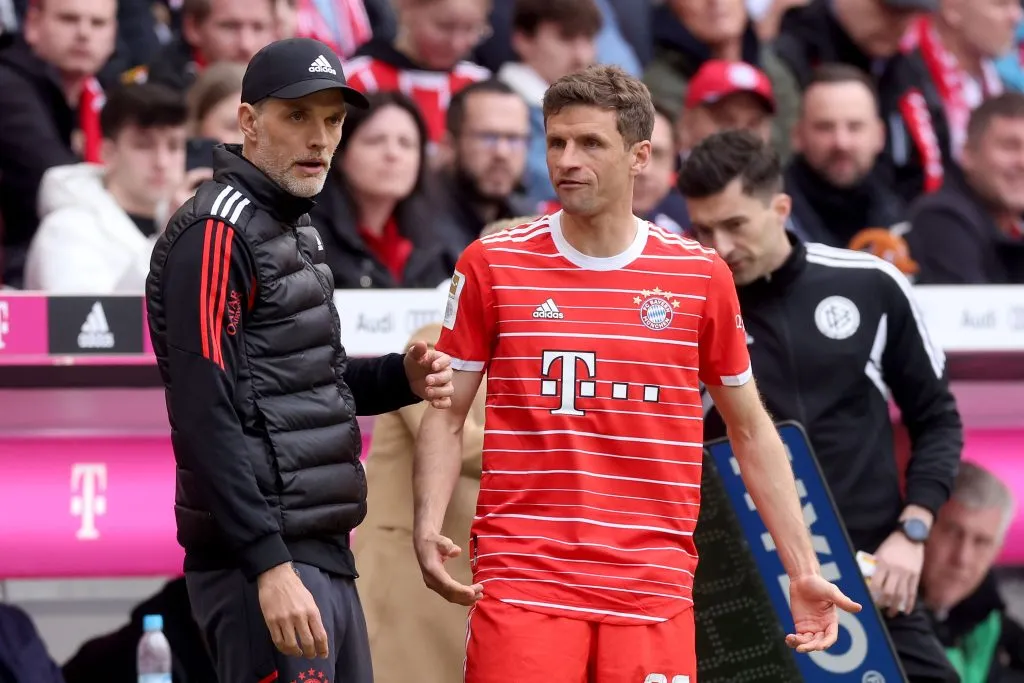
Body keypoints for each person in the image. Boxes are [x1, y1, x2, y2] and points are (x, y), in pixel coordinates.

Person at [413, 64, 860, 683]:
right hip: (525, 583)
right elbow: (445, 410)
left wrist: (802, 565)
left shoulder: (700, 277)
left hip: (651, 591)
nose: (567, 159)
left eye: (591, 143)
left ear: (639, 155)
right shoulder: (493, 263)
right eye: (557, 142)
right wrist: (428, 522)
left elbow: (751, 430)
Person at [145, 37, 455, 683]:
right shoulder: (216, 231)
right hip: (267, 564)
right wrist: (268, 564)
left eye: (334, 120)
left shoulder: (293, 226)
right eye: (298, 116)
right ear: (249, 122)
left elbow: (312, 384)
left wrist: (402, 376)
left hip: (324, 553)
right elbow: (207, 413)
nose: (320, 137)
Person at [679, 130, 963, 683]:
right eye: (703, 229)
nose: (720, 246)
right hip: (745, 583)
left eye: (735, 225)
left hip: (870, 574)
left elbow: (938, 420)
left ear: (780, 208)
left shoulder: (870, 284)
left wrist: (914, 532)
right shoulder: (687, 310)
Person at [352, 321, 486, 683]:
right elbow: (454, 436)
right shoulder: (433, 344)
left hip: (460, 567)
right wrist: (555, 446)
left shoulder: (528, 355)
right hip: (404, 568)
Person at [25, 82, 188, 293]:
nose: (162, 162)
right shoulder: (66, 229)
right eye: (144, 146)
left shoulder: (190, 222)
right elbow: (88, 319)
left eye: (174, 146)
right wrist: (170, 238)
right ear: (108, 153)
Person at [921, 462, 1024, 681]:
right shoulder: (868, 610)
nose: (962, 558)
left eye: (981, 542)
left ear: (996, 552)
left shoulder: (995, 627)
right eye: (952, 532)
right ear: (923, 529)